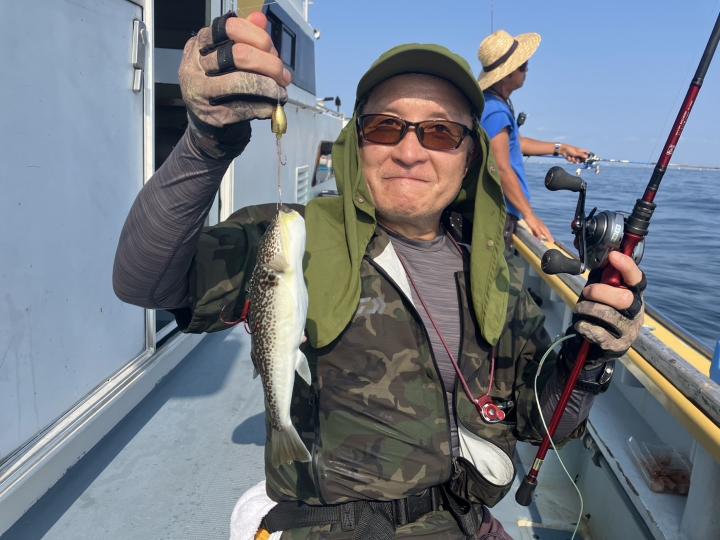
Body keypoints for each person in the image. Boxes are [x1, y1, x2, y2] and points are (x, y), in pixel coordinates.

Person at [113, 11, 645, 539]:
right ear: (357, 143)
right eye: (385, 127)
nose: (409, 152)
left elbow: (542, 424)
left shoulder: (496, 270)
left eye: (440, 133)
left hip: (466, 525)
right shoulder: (296, 236)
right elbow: (146, 282)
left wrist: (590, 358)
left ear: (469, 157)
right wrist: (206, 143)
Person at [477, 30, 591, 246]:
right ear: (507, 74)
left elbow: (515, 143)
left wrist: (562, 148)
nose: (527, 69)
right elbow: (501, 167)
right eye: (522, 66)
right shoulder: (495, 111)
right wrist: (530, 215)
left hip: (499, 212)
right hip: (497, 215)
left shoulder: (493, 104)